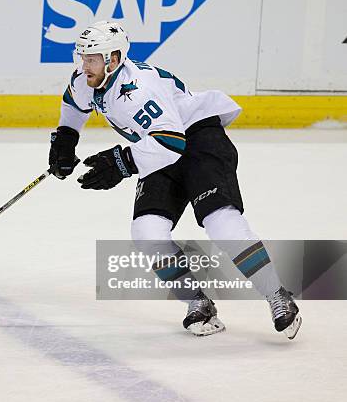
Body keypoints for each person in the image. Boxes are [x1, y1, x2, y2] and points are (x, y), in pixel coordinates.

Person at [48, 20, 302, 339]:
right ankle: (197, 302)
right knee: (146, 232)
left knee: (220, 222)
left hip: (197, 139)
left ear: (113, 59)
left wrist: (122, 162)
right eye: (82, 57)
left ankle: (277, 295)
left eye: (92, 58)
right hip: (158, 146)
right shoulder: (87, 78)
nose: (85, 65)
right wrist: (65, 139)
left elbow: (173, 142)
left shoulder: (138, 88)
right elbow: (74, 104)